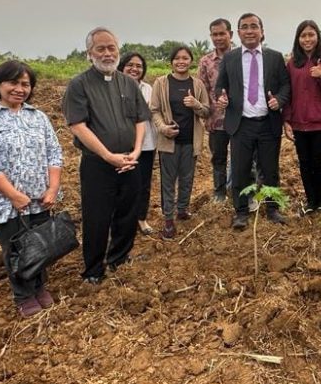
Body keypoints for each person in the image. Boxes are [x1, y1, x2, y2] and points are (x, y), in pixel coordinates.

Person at [0, 60, 63, 318]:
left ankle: (40, 286)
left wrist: (52, 188)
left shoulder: (37, 117)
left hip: (40, 198)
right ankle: (23, 295)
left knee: (41, 244)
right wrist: (13, 195)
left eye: (25, 84)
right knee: (16, 249)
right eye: (13, 83)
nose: (19, 89)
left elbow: (55, 153)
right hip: (4, 202)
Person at [62, 27, 150, 284]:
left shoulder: (128, 83)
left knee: (128, 212)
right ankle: (93, 269)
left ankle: (120, 258)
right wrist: (108, 156)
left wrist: (134, 152)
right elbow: (78, 125)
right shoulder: (79, 85)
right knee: (97, 216)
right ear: (90, 53)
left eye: (111, 47)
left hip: (130, 161)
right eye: (101, 48)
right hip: (98, 164)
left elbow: (140, 119)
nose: (107, 53)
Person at [215, 12, 291, 229]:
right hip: (241, 124)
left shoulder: (275, 57)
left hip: (268, 123)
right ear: (238, 33)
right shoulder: (230, 58)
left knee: (270, 169)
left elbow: (286, 85)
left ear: (262, 31)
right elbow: (220, 85)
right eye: (245, 27)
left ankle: (272, 209)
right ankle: (241, 212)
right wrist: (221, 96)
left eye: (254, 26)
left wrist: (279, 100)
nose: (249, 31)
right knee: (240, 169)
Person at [150, 46, 210, 239]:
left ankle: (182, 210)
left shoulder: (198, 84)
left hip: (190, 141)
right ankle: (168, 219)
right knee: (168, 181)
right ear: (172, 62)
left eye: (185, 58)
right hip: (169, 141)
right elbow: (154, 110)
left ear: (191, 61)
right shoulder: (161, 83)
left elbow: (206, 111)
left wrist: (196, 105)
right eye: (177, 58)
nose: (181, 61)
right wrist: (163, 128)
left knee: (187, 178)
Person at [283, 19, 321, 214]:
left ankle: (320, 202)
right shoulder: (292, 64)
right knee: (304, 164)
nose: (307, 39)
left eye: (311, 35)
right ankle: (310, 202)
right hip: (299, 123)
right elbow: (288, 93)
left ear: (318, 37)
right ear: (298, 39)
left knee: (317, 163)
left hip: (320, 123)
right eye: (303, 35)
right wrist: (287, 120)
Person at [119, 52, 158, 235]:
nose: (135, 69)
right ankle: (121, 220)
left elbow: (153, 111)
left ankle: (141, 219)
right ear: (122, 66)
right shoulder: (113, 87)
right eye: (130, 65)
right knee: (122, 185)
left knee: (143, 183)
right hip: (122, 145)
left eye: (139, 66)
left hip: (146, 144)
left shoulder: (148, 88)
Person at [198, 18, 235, 202]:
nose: (218, 38)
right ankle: (219, 192)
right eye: (214, 34)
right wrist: (206, 114)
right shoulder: (206, 61)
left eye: (222, 33)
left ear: (231, 34)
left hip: (240, 118)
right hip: (216, 119)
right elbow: (202, 90)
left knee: (243, 158)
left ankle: (239, 190)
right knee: (218, 158)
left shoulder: (241, 55)